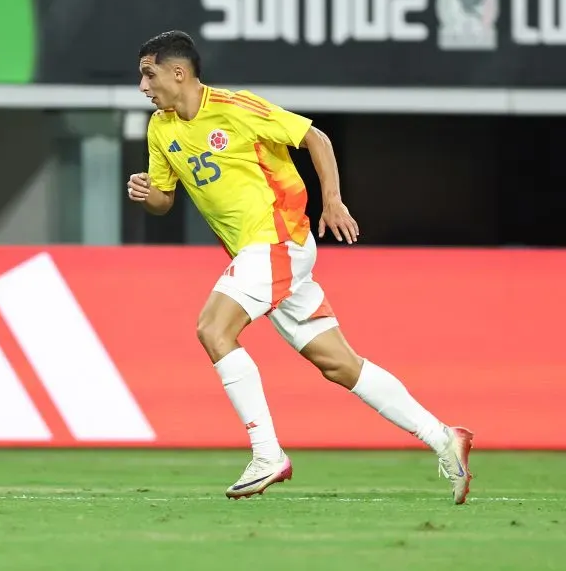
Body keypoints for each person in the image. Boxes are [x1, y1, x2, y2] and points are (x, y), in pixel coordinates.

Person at [125, 30, 473, 505]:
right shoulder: (161, 129)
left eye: (149, 74)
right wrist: (151, 196)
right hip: (262, 256)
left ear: (178, 72)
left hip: (277, 240)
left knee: (212, 328)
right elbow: (165, 201)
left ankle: (267, 453)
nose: (143, 86)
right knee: (338, 364)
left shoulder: (237, 107)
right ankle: (444, 437)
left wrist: (332, 199)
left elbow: (316, 138)